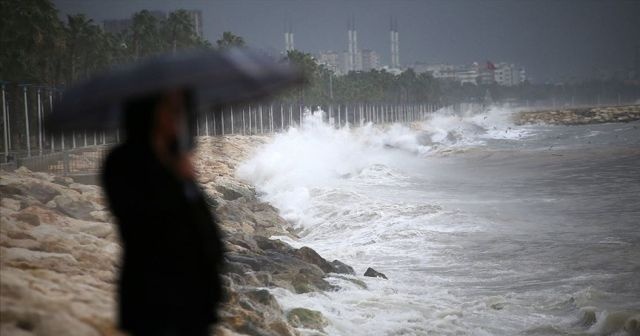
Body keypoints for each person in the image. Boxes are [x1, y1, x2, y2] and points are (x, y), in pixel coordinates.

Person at [101, 89, 224, 336]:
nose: (177, 118)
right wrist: (177, 178)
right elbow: (141, 224)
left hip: (195, 297)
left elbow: (202, 223)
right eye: (171, 109)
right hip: (153, 295)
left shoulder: (176, 157)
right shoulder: (122, 162)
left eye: (180, 111)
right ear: (148, 112)